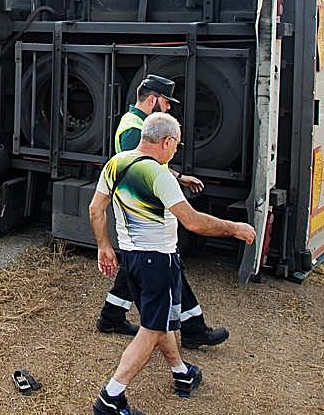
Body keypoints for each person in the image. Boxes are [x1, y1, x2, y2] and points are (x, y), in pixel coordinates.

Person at [88, 113, 255, 415]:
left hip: (132, 259)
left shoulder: (116, 163)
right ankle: (110, 397)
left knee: (160, 321)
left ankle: (182, 372)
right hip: (158, 262)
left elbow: (96, 209)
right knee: (151, 330)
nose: (175, 152)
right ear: (165, 142)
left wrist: (104, 246)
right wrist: (234, 228)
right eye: (176, 145)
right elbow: (192, 221)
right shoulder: (158, 175)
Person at [95, 73, 230, 350]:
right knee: (163, 266)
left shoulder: (138, 125)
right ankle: (190, 331)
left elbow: (149, 166)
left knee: (139, 269)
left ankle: (112, 316)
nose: (168, 108)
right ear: (154, 99)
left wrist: (178, 178)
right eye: (166, 103)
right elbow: (144, 168)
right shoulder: (135, 128)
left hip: (141, 217)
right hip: (145, 212)